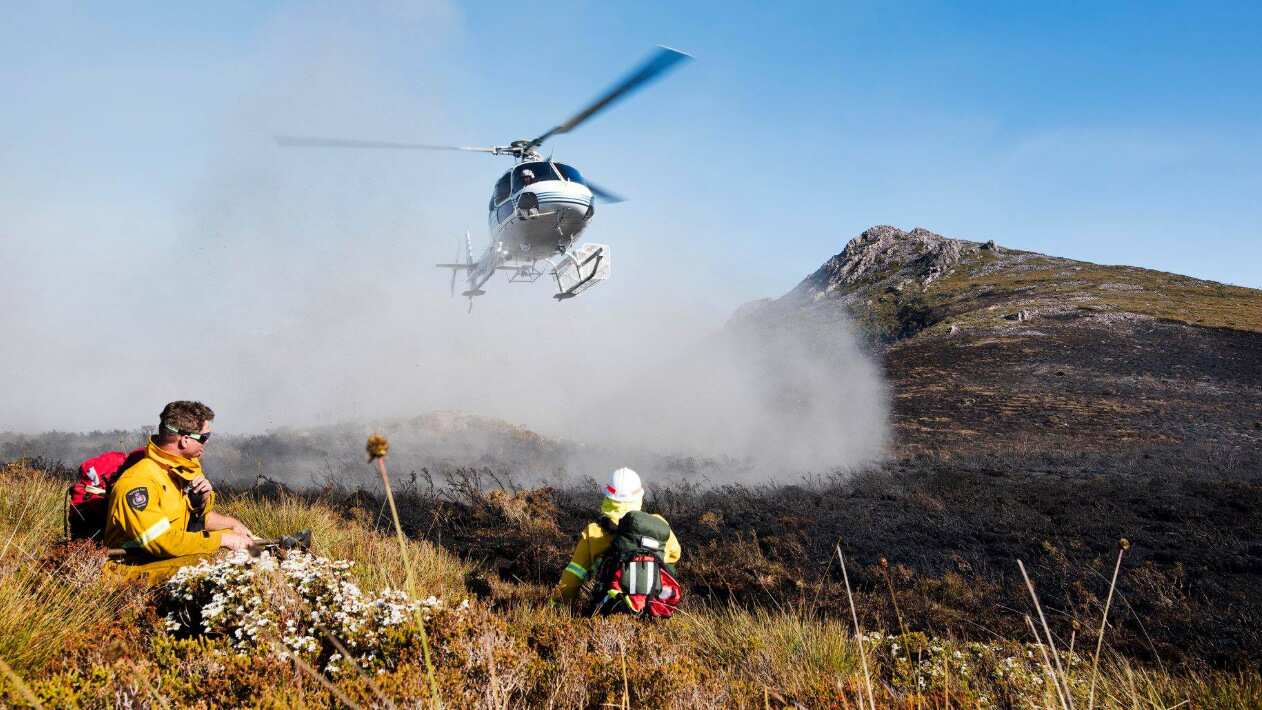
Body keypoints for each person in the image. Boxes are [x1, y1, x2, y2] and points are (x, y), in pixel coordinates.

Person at [103, 401, 254, 583]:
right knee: (214, 563)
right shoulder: (138, 482)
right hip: (131, 569)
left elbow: (191, 522)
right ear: (185, 440)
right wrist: (222, 539)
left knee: (252, 554)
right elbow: (162, 541)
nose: (206, 444)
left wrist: (230, 524)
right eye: (204, 438)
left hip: (165, 558)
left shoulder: (181, 470)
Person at [551, 467, 681, 612]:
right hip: (654, 607)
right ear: (639, 498)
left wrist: (558, 605)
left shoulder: (594, 531)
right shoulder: (659, 525)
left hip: (609, 608)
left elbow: (574, 574)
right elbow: (674, 555)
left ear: (608, 498)